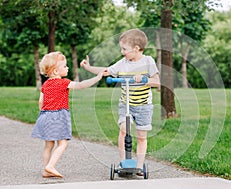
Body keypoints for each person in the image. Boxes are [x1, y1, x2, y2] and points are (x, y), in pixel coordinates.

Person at [80, 29, 160, 174]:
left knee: (142, 137)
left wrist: (144, 79)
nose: (122, 52)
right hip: (126, 104)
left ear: (136, 49)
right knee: (123, 130)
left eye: (124, 49)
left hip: (143, 106)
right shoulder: (123, 63)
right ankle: (123, 163)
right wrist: (87, 67)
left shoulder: (148, 61)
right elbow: (105, 71)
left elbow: (157, 82)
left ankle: (140, 166)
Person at [32, 51, 104, 178]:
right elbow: (81, 85)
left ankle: (45, 170)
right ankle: (50, 166)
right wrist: (97, 77)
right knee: (63, 143)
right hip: (59, 116)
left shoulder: (45, 84)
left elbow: (40, 102)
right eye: (65, 66)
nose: (68, 68)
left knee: (48, 145)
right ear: (55, 71)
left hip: (45, 115)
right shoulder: (63, 82)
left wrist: (44, 114)